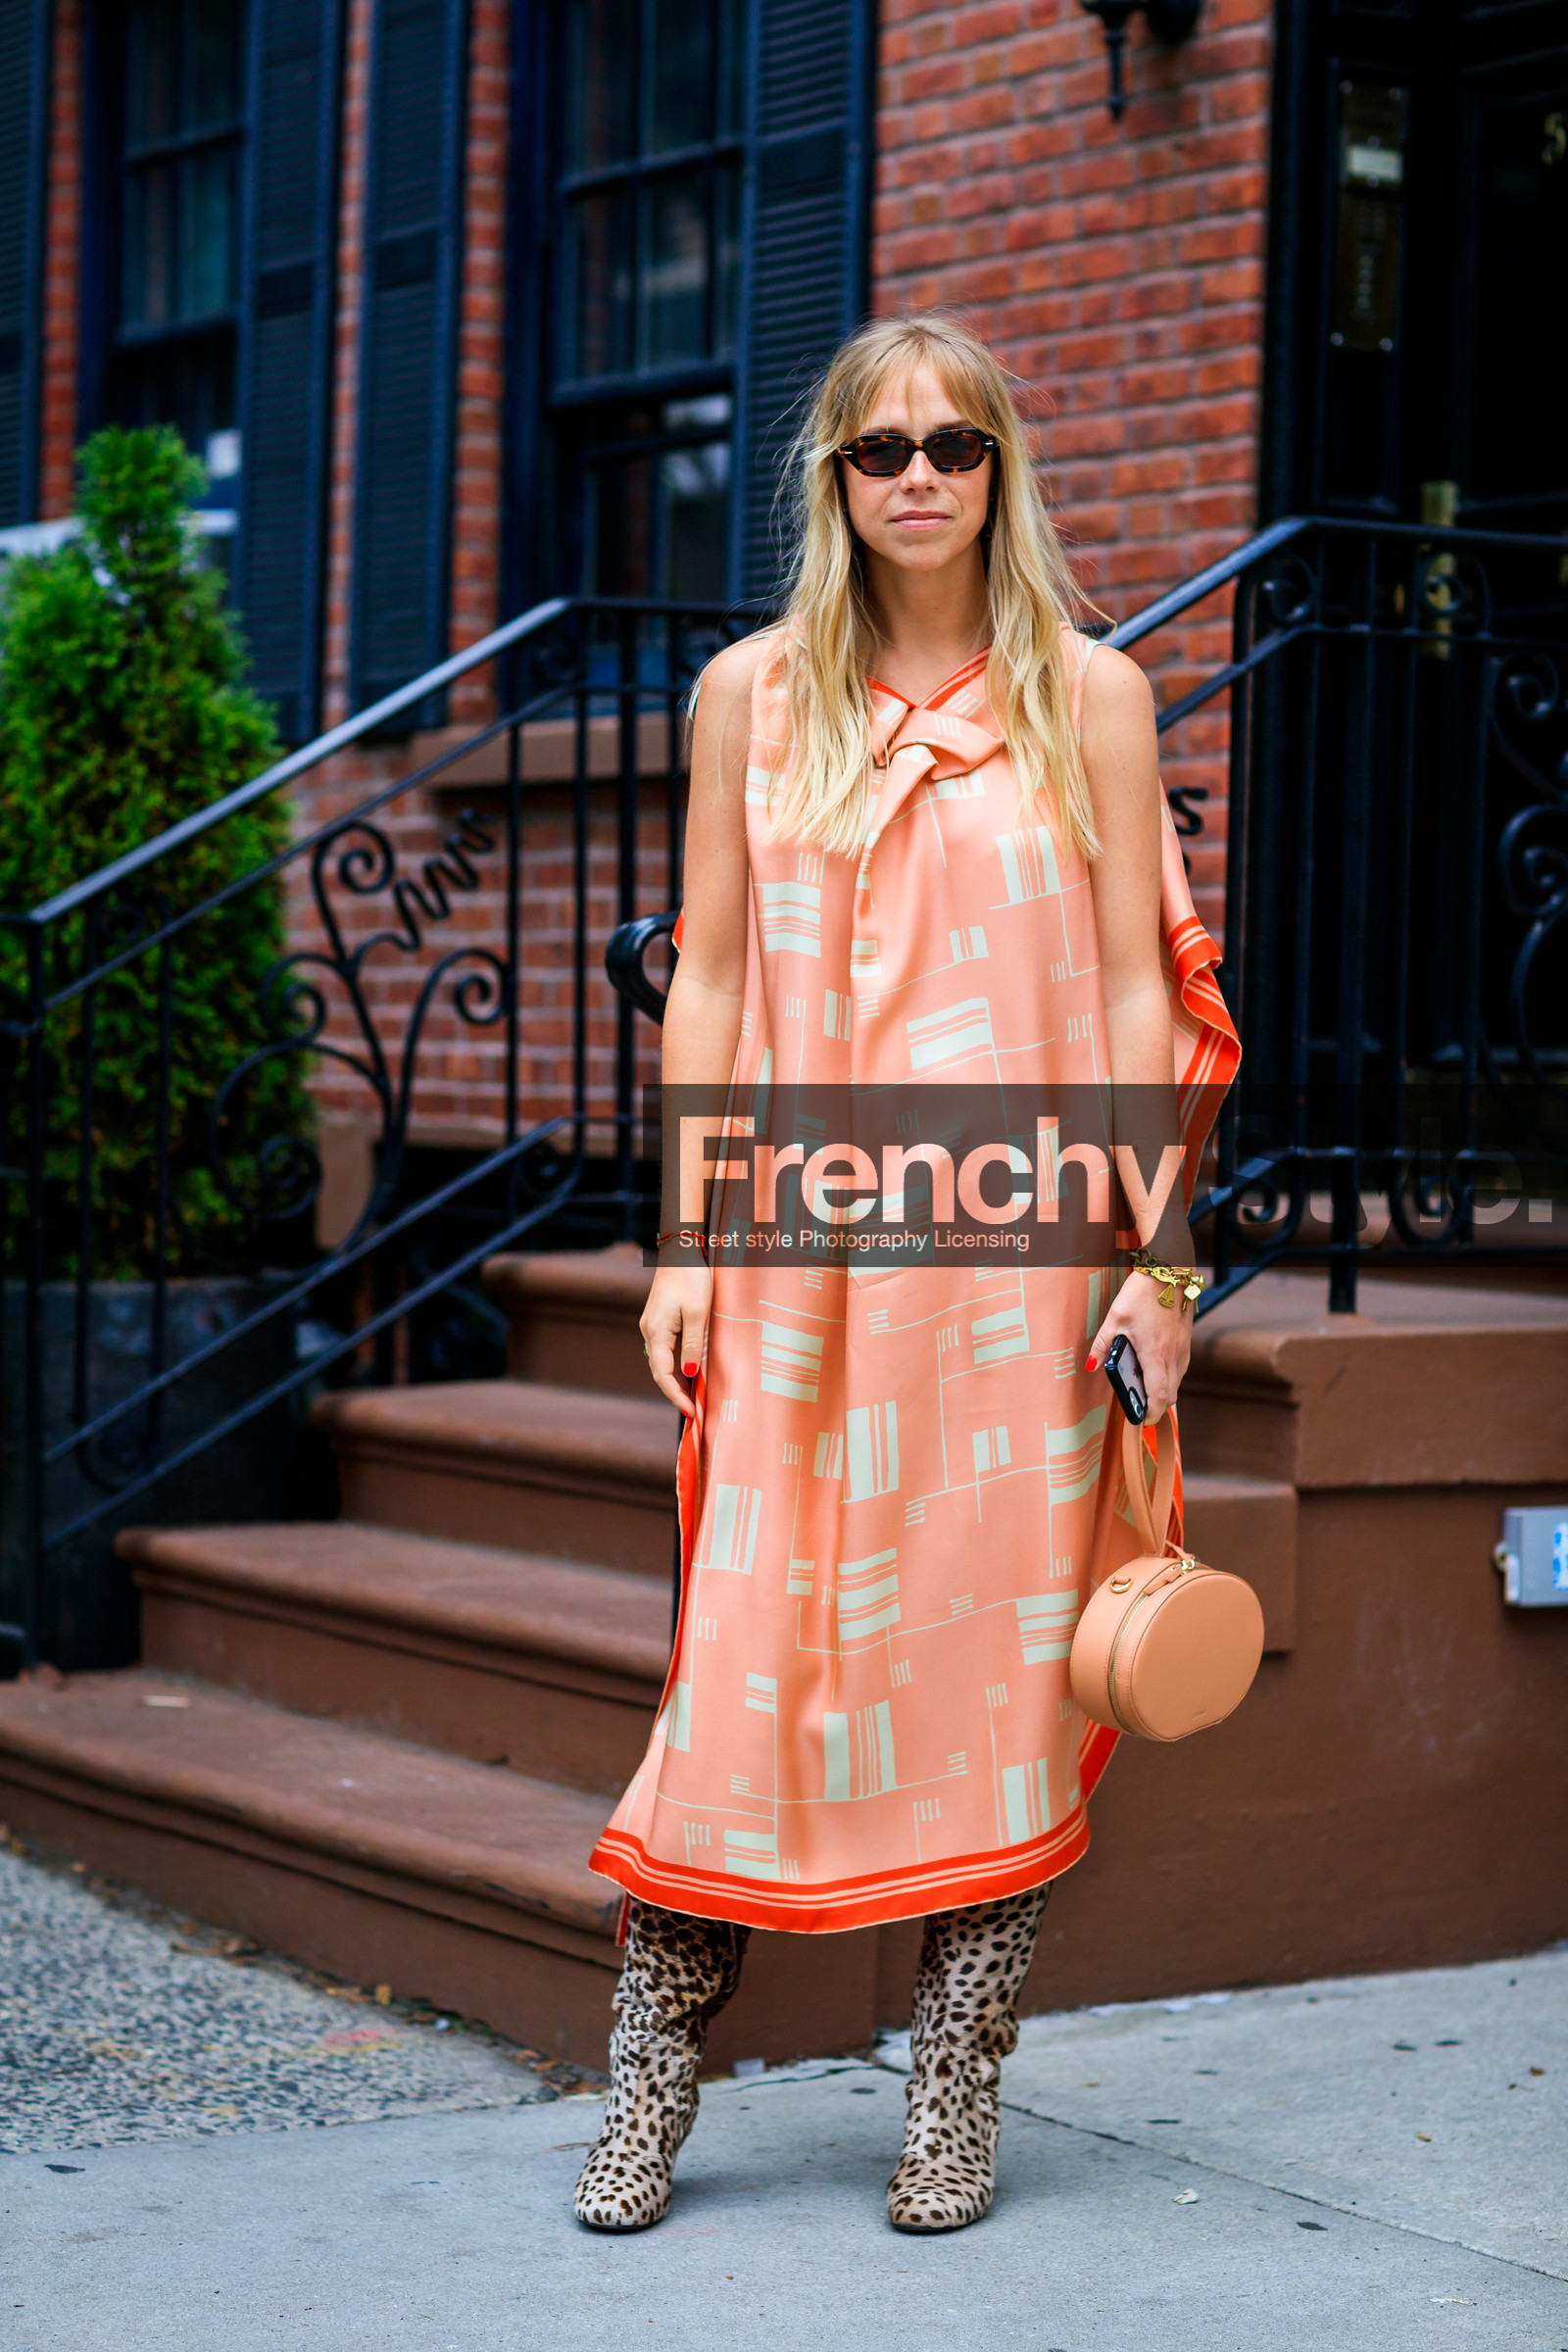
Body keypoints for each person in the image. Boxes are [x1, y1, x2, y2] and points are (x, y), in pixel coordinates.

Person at [576, 314, 1240, 2235]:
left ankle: (953, 2090)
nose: (921, 475)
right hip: (797, 1259)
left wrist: (1160, 1263)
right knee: (742, 1678)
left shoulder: (1092, 701)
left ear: (1001, 471)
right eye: (882, 450)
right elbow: (706, 980)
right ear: (833, 483)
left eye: (956, 444)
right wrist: (683, 1243)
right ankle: (647, 2084)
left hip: (1023, 1278)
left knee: (997, 1684)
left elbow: (1132, 995)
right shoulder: (746, 700)